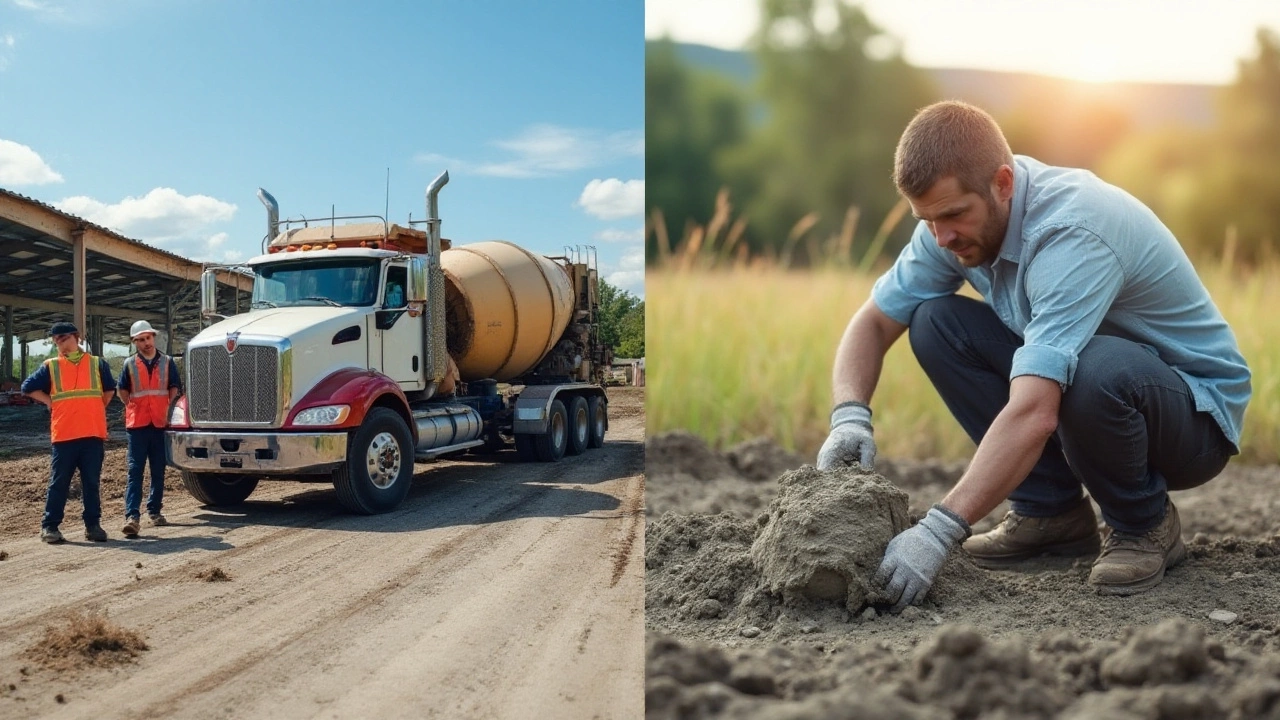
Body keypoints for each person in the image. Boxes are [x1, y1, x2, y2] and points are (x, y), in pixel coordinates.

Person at [817, 101, 1250, 608]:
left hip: (1190, 417)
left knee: (1091, 368)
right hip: (1097, 382)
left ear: (1003, 183)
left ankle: (1143, 524)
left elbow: (1036, 410)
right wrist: (849, 417)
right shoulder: (946, 227)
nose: (943, 238)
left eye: (954, 215)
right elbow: (873, 321)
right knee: (935, 322)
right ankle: (1050, 515)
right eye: (927, 220)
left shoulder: (1072, 230)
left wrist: (939, 530)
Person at [22, 321, 117, 544]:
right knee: (59, 483)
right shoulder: (51, 366)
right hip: (64, 436)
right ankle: (49, 527)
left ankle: (93, 526)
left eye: (63, 339)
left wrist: (95, 409)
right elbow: (27, 387)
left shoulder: (97, 364)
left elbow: (110, 389)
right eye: (56, 341)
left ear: (77, 337)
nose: (60, 344)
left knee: (91, 483)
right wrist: (49, 401)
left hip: (92, 434)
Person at [117, 320, 182, 537]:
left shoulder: (167, 362)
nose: (146, 343)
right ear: (135, 342)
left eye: (148, 338)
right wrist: (132, 407)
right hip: (137, 425)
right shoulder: (129, 364)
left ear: (153, 337)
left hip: (159, 423)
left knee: (158, 470)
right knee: (135, 470)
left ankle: (154, 510)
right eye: (141, 340)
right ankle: (132, 516)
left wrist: (167, 408)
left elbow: (174, 387)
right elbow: (122, 390)